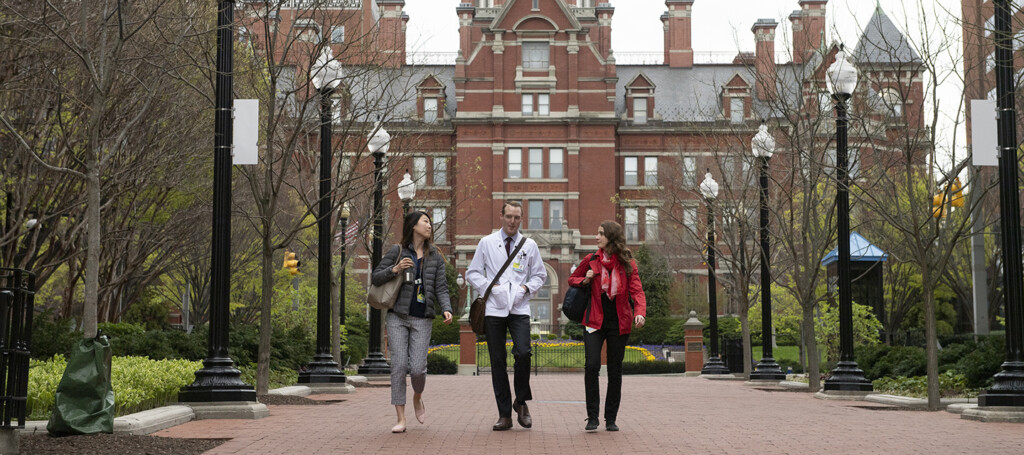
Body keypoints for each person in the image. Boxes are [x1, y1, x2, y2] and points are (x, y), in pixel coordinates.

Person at [466, 200, 547, 431]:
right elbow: (472, 273)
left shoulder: (529, 245)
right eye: (509, 216)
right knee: (498, 361)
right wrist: (492, 289)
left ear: (522, 219)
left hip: (519, 308)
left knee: (523, 353)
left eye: (517, 218)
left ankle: (520, 402)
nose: (512, 221)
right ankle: (504, 415)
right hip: (494, 309)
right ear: (501, 217)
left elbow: (540, 276)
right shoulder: (487, 243)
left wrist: (525, 289)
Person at [372, 211, 454, 433]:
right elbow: (376, 276)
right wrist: (395, 269)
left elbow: (441, 287)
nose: (429, 225)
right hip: (397, 315)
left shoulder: (435, 255)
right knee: (398, 366)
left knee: (417, 369)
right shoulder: (397, 251)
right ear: (413, 226)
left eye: (429, 222)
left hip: (422, 317)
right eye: (425, 221)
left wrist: (446, 308)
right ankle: (400, 418)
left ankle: (417, 397)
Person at [567, 220, 646, 432]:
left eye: (601, 233)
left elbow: (637, 292)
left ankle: (610, 418)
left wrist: (639, 313)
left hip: (619, 323)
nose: (596, 237)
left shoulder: (628, 263)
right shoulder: (591, 259)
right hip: (594, 320)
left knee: (614, 370)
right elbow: (572, 278)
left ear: (611, 237)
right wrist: (585, 279)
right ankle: (592, 417)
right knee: (591, 366)